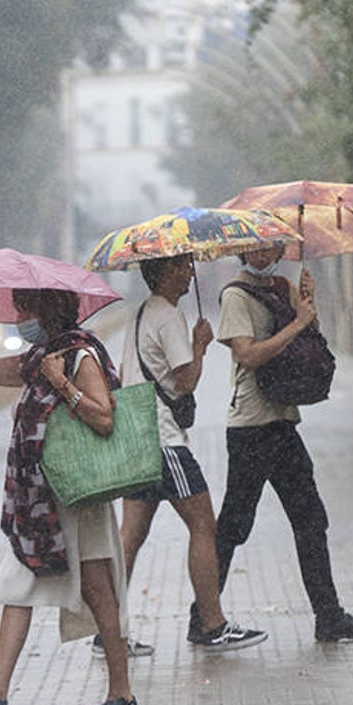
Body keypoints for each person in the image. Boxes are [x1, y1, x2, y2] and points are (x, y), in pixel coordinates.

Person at [0, 287, 141, 705]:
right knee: (92, 589)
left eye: (22, 309)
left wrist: (63, 384)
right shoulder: (39, 360)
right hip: (45, 500)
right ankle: (118, 694)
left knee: (34, 581)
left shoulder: (77, 355)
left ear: (44, 311)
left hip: (70, 495)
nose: (18, 319)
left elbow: (104, 417)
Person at [195, 244, 353, 643]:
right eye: (254, 249)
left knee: (311, 518)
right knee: (234, 525)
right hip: (250, 426)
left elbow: (305, 344)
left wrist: (307, 309)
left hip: (283, 421)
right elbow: (248, 355)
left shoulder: (282, 288)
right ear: (242, 250)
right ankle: (203, 619)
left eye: (269, 248)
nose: (262, 255)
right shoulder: (235, 295)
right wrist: (297, 323)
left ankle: (329, 616)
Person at [111, 254, 268, 655]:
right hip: (164, 441)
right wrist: (199, 346)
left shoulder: (141, 313)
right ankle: (212, 625)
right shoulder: (167, 316)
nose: (189, 273)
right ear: (162, 273)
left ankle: (109, 632)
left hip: (135, 438)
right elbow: (186, 381)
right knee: (204, 525)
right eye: (181, 267)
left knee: (131, 536)